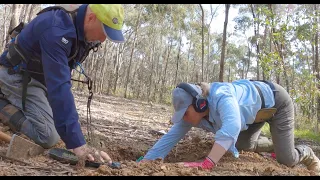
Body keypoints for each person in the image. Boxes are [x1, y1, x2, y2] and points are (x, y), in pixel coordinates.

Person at [0, 4, 125, 163]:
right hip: (17, 76)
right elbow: (59, 88)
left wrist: (73, 132)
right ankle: (2, 103)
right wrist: (78, 144)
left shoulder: (82, 28)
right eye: (104, 31)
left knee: (63, 121)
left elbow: (62, 80)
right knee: (48, 135)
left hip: (41, 80)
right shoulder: (56, 29)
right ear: (91, 18)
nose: (103, 39)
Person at [141, 80, 320, 173]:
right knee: (242, 145)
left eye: (185, 113)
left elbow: (232, 127)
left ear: (200, 104)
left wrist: (207, 163)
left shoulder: (222, 97)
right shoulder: (194, 114)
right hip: (252, 116)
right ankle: (278, 144)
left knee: (287, 159)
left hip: (276, 103)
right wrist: (147, 161)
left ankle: (306, 153)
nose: (184, 119)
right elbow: (171, 136)